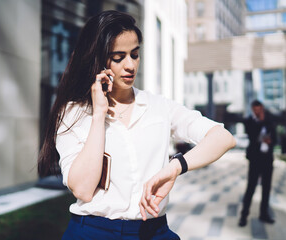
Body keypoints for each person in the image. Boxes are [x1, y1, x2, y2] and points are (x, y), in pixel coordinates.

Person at [38, 10, 236, 240]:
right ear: (98, 59)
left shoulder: (158, 106)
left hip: (152, 231)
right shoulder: (73, 112)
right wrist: (99, 114)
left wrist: (174, 168)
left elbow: (223, 137)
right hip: (92, 232)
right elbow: (82, 189)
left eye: (135, 54)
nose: (130, 65)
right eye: (118, 57)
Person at [238, 100, 276, 227]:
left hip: (267, 159)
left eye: (259, 109)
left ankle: (264, 214)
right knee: (251, 188)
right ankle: (244, 215)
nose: (257, 111)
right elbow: (253, 134)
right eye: (255, 109)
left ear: (262, 108)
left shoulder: (269, 119)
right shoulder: (249, 121)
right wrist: (261, 120)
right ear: (252, 109)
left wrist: (271, 140)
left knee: (266, 188)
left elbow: (275, 136)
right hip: (255, 160)